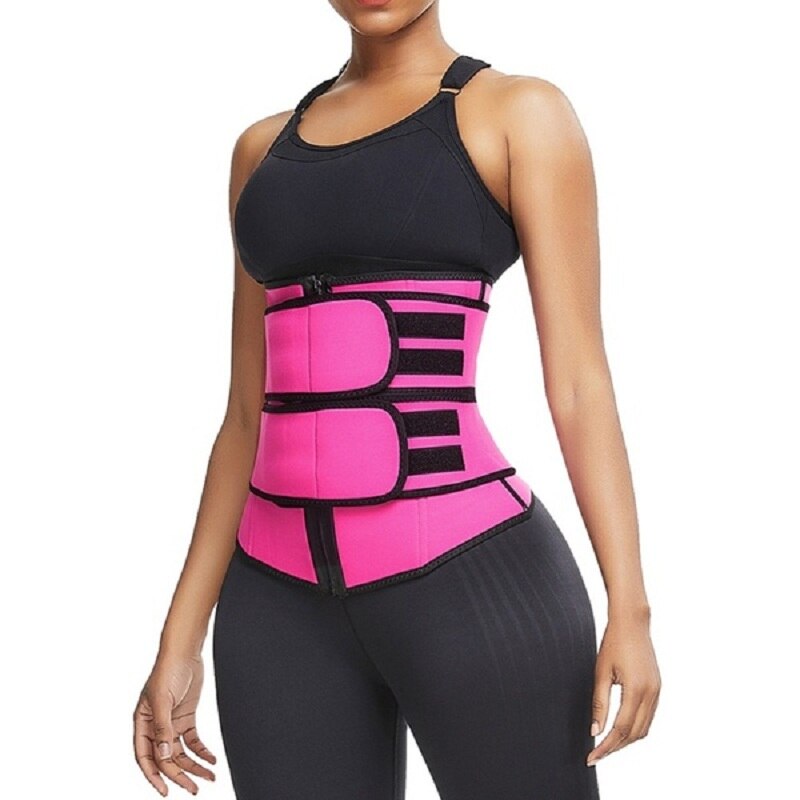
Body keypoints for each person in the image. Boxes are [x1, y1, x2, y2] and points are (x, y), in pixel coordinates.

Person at [132, 2, 661, 798]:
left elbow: (581, 383)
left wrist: (632, 607)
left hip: (471, 579)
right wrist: (181, 634)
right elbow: (247, 413)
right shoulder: (260, 152)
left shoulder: (517, 114)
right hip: (274, 609)